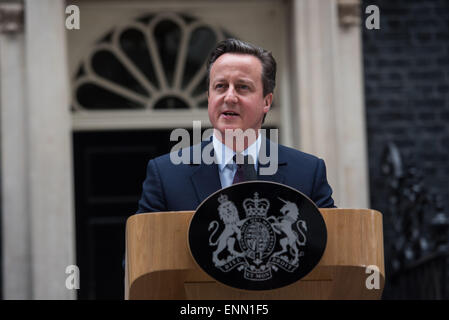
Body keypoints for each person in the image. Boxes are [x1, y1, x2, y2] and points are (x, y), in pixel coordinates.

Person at [137, 39, 335, 213]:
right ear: (209, 97)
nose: (229, 97)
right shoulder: (166, 174)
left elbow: (335, 250)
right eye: (220, 86)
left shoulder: (308, 173)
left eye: (243, 87)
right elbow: (140, 252)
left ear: (266, 102)